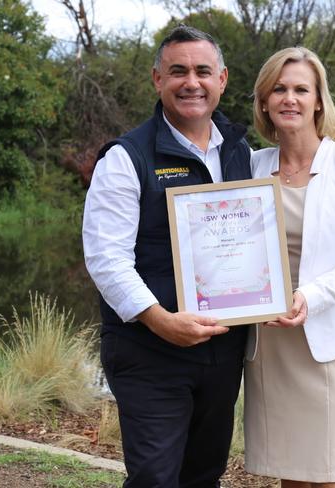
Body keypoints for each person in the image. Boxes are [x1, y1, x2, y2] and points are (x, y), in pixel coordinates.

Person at [82, 25, 252, 488]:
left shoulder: (242, 153)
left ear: (223, 79)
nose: (191, 82)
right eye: (178, 71)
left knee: (203, 474)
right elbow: (106, 258)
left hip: (222, 350)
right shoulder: (126, 157)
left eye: (202, 71)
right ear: (158, 79)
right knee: (156, 477)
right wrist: (159, 320)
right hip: (149, 349)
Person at [244, 47, 335, 488]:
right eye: (279, 89)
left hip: (332, 342)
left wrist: (309, 296)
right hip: (272, 341)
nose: (290, 98)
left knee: (331, 477)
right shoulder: (251, 166)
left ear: (319, 100)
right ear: (264, 101)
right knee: (293, 476)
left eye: (301, 89)